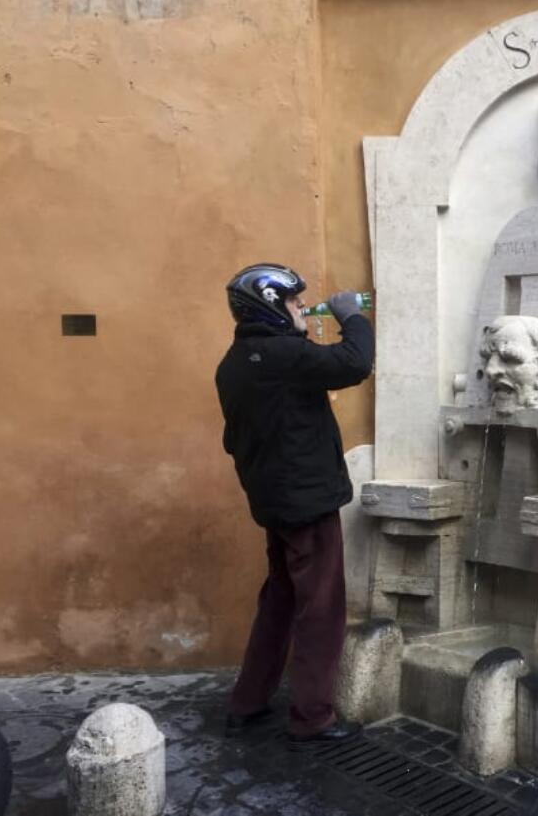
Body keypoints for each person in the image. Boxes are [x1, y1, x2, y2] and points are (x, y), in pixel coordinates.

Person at [215, 262, 374, 747]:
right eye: (293, 301)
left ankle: (248, 703)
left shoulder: (234, 362)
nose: (303, 307)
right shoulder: (285, 354)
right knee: (321, 609)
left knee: (280, 601)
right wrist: (352, 317)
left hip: (273, 503)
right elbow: (353, 363)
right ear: (269, 305)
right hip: (306, 505)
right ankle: (312, 717)